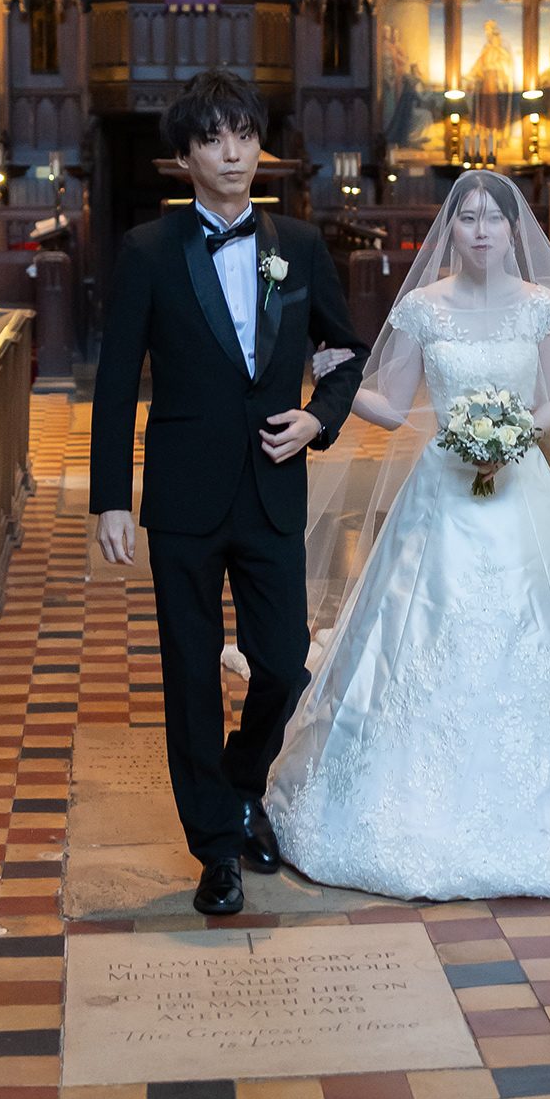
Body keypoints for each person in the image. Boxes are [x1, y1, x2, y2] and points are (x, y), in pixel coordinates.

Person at [266, 170, 550, 900]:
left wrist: (511, 437)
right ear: (450, 229)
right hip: (441, 493)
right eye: (469, 218)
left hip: (519, 488)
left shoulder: (542, 308)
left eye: (495, 218)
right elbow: (396, 406)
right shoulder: (423, 310)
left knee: (542, 626)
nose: (482, 231)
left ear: (514, 229)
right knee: (421, 624)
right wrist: (332, 379)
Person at [89, 72, 368, 917]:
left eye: (244, 135)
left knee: (282, 663)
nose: (233, 153)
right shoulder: (147, 251)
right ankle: (215, 846)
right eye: (213, 139)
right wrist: (110, 497)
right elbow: (114, 381)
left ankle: (244, 786)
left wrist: (318, 419)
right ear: (186, 157)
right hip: (183, 494)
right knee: (190, 676)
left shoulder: (300, 245)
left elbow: (345, 354)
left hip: (273, 487)